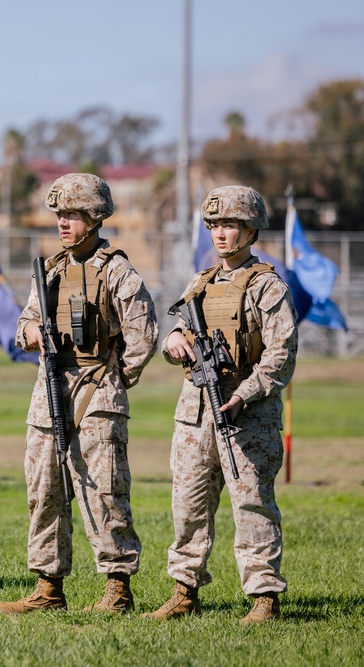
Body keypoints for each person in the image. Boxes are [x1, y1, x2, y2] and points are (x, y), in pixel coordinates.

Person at [0, 173, 158, 615]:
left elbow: (144, 336)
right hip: (50, 391)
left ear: (95, 217)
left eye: (72, 215)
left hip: (99, 395)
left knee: (104, 491)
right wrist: (33, 332)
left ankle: (117, 590)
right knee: (44, 488)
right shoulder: (48, 272)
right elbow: (22, 326)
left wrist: (114, 379)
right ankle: (48, 590)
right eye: (60, 216)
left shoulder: (118, 272)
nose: (63, 224)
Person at [143, 186, 297, 623]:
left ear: (250, 230)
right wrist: (174, 341)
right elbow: (180, 329)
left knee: (252, 505)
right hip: (196, 412)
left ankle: (264, 596)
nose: (220, 234)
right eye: (213, 225)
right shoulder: (201, 281)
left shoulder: (267, 286)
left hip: (248, 414)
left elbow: (281, 355)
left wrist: (244, 394)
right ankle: (184, 591)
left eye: (229, 225)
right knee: (188, 503)